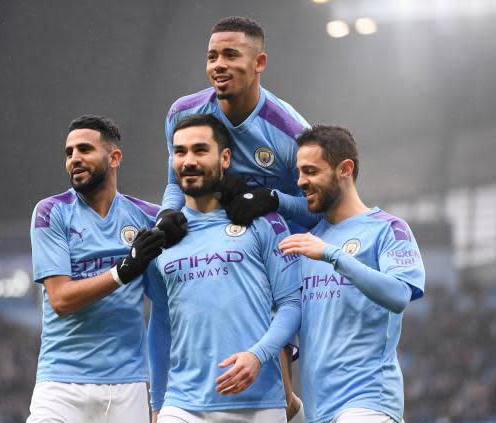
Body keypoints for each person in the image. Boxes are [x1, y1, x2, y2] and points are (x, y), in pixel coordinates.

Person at [155, 16, 312, 421]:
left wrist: (273, 200)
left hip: (276, 234)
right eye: (212, 56)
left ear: (259, 62)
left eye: (230, 55)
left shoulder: (290, 131)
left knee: (274, 303)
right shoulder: (184, 112)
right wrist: (167, 217)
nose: (218, 65)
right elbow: (175, 180)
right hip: (209, 226)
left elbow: (319, 207)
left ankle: (284, 392)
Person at [147, 114, 303, 423]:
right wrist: (157, 404)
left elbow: (292, 305)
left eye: (200, 150)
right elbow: (161, 324)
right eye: (180, 152)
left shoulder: (264, 223)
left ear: (225, 157)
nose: (188, 160)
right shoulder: (161, 239)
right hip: (182, 405)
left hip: (257, 401)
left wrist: (258, 356)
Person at [278, 125, 426, 423]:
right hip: (318, 410)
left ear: (345, 169)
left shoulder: (387, 229)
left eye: (310, 171)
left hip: (369, 402)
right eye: (299, 172)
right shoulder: (308, 241)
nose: (301, 182)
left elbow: (399, 295)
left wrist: (332, 254)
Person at [27, 115, 165, 423]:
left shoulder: (146, 217)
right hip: (61, 384)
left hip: (127, 385)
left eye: (85, 149)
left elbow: (166, 306)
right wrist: (122, 271)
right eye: (69, 152)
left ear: (114, 157)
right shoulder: (52, 213)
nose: (74, 158)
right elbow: (60, 299)